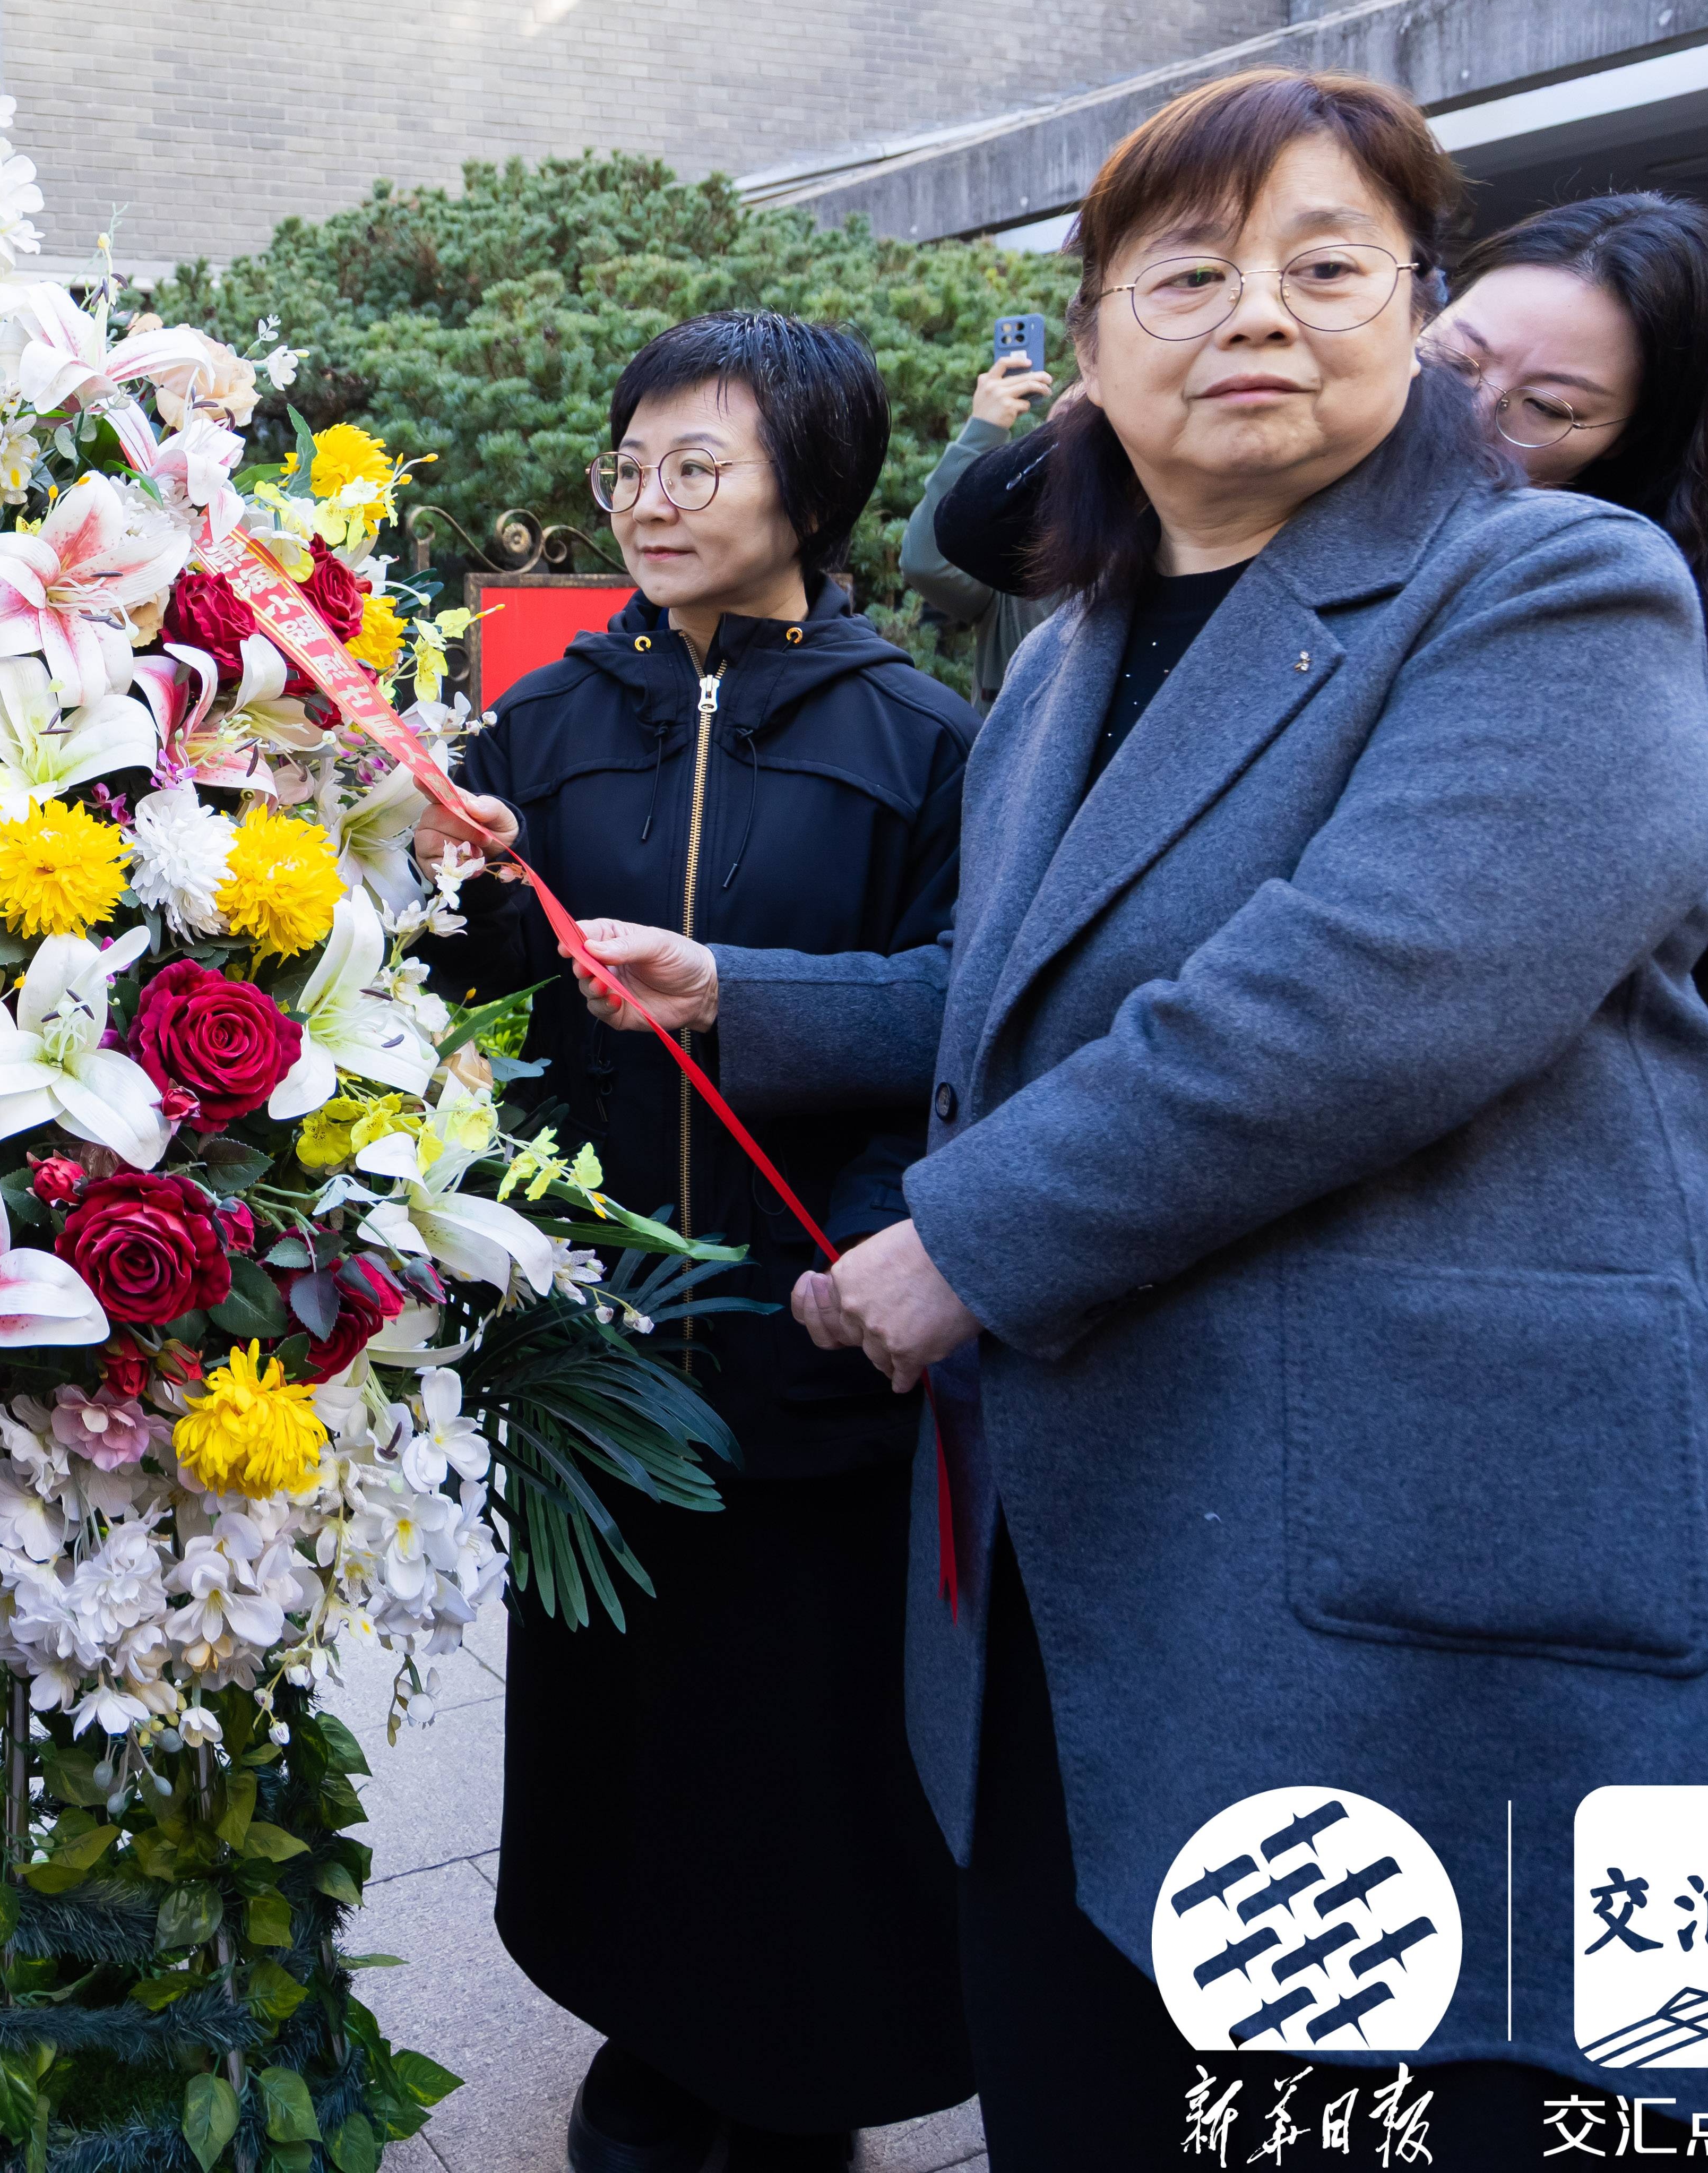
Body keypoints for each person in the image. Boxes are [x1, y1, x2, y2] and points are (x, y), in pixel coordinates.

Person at [507, 71, 1708, 2167]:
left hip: (1420, 1576)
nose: (1253, 311)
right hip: (1081, 1572)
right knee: (1091, 2089)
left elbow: (1349, 1000)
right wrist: (737, 990)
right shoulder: (1073, 653)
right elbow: (1012, 999)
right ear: (1090, 345)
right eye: (1185, 273)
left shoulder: (1556, 586)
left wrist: (958, 1243)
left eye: (1323, 264)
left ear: (1416, 314)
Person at [444, 312, 977, 2173]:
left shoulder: (922, 736)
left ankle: (791, 2081)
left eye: (698, 464)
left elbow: (971, 1009)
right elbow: (480, 995)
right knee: (620, 1731)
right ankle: (650, 2045)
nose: (649, 501)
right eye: (629, 465)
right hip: (592, 1343)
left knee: (797, 1745)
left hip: (809, 1330)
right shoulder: (542, 722)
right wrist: (423, 876)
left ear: (809, 488)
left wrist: (867, 1226)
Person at [1431, 193, 1708, 1939]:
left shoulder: (1699, 652)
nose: (1476, 427)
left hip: (1680, 1269)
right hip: (1452, 1287)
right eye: (1455, 365)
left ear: (1641, 438)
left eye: (1549, 409)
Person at [898, 341, 1066, 702]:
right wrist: (984, 429)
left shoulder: (1164, 554)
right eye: (1063, 420)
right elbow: (925, 562)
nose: (1076, 433)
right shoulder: (1015, 561)